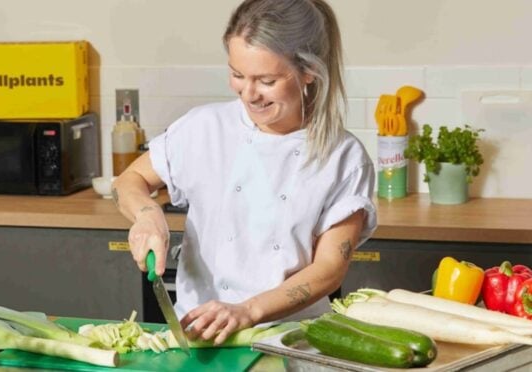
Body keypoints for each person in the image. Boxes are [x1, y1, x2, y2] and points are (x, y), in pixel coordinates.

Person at [112, 0, 376, 345]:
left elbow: (329, 270)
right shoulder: (204, 127)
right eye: (237, 75)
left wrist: (248, 310)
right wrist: (147, 215)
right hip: (197, 335)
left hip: (291, 339)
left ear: (309, 71)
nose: (248, 94)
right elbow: (130, 181)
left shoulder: (344, 157)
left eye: (266, 80)